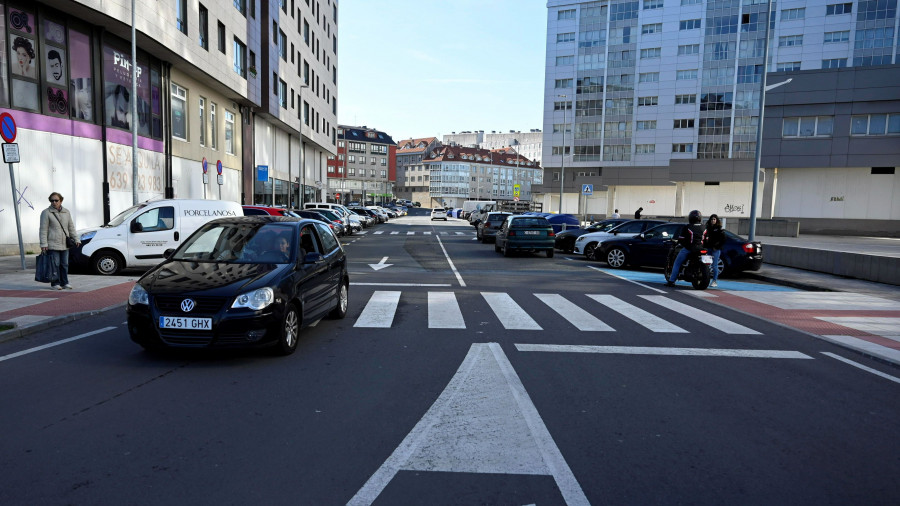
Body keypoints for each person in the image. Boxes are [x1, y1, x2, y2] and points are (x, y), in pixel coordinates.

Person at [39, 192, 80, 290]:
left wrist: (76, 239)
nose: (54, 202)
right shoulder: (46, 212)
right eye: (52, 200)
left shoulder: (66, 212)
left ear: (61, 201)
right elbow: (43, 229)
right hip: (52, 243)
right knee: (55, 264)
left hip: (65, 244)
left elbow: (71, 227)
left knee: (65, 264)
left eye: (56, 200)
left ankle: (65, 282)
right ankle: (55, 283)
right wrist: (43, 243)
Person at [666, 209, 704, 287]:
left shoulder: (688, 227)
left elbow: (681, 238)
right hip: (702, 249)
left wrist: (682, 243)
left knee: (677, 263)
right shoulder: (704, 227)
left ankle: (671, 281)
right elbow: (707, 239)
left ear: (690, 218)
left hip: (689, 248)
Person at [703, 214, 726, 287]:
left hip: (715, 249)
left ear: (717, 220)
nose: (713, 221)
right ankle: (706, 279)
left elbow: (723, 240)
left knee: (714, 265)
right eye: (712, 219)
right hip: (708, 248)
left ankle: (714, 280)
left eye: (714, 219)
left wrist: (717, 246)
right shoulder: (707, 228)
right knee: (706, 264)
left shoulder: (719, 229)